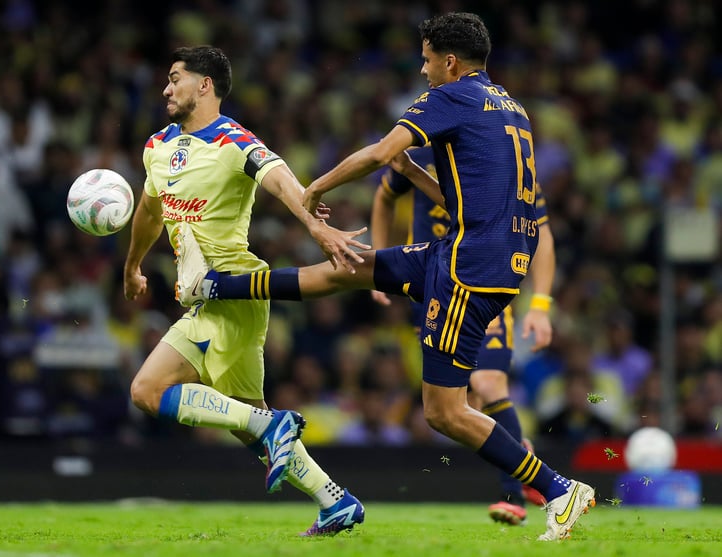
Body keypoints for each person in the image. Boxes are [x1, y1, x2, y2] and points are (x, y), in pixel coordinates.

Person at [179, 14, 595, 541]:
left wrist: (316, 190)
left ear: (449, 62)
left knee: (444, 412)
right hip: (473, 252)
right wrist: (415, 174)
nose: (422, 70)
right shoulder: (511, 107)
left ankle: (559, 489)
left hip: (468, 269)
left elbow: (379, 152)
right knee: (347, 269)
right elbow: (465, 199)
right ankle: (210, 285)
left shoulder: (453, 97)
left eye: (425, 60)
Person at [123, 46, 367, 536]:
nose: (167, 89)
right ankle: (334, 501)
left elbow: (281, 183)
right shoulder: (156, 147)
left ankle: (273, 426)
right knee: (245, 417)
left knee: (148, 391)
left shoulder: (234, 140)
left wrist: (316, 229)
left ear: (205, 85)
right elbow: (150, 212)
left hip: (231, 291)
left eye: (176, 79)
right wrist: (132, 266)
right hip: (205, 295)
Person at [369, 144, 556, 524]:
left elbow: (543, 236)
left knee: (488, 384)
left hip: (485, 287)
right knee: (451, 406)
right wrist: (378, 259)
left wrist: (540, 305)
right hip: (435, 288)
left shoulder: (509, 165)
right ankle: (522, 457)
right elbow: (384, 196)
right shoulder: (421, 157)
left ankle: (512, 496)